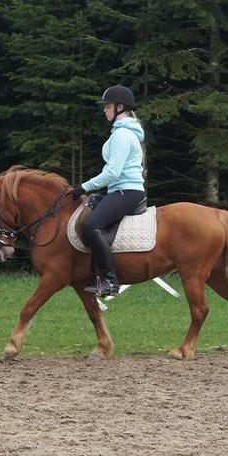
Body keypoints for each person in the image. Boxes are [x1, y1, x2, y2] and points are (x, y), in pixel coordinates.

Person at [68, 85, 146, 297]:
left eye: (108, 106)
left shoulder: (122, 135)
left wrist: (83, 187)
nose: (105, 110)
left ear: (120, 108)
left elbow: (112, 172)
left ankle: (110, 281)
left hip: (126, 191)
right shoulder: (123, 133)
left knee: (91, 225)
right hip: (120, 190)